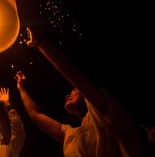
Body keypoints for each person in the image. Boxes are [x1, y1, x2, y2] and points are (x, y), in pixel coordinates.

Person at [13, 26, 145, 157]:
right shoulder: (69, 135)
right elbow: (36, 116)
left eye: (74, 90)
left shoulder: (102, 115)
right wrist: (21, 88)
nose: (68, 94)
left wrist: (40, 44)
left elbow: (73, 75)